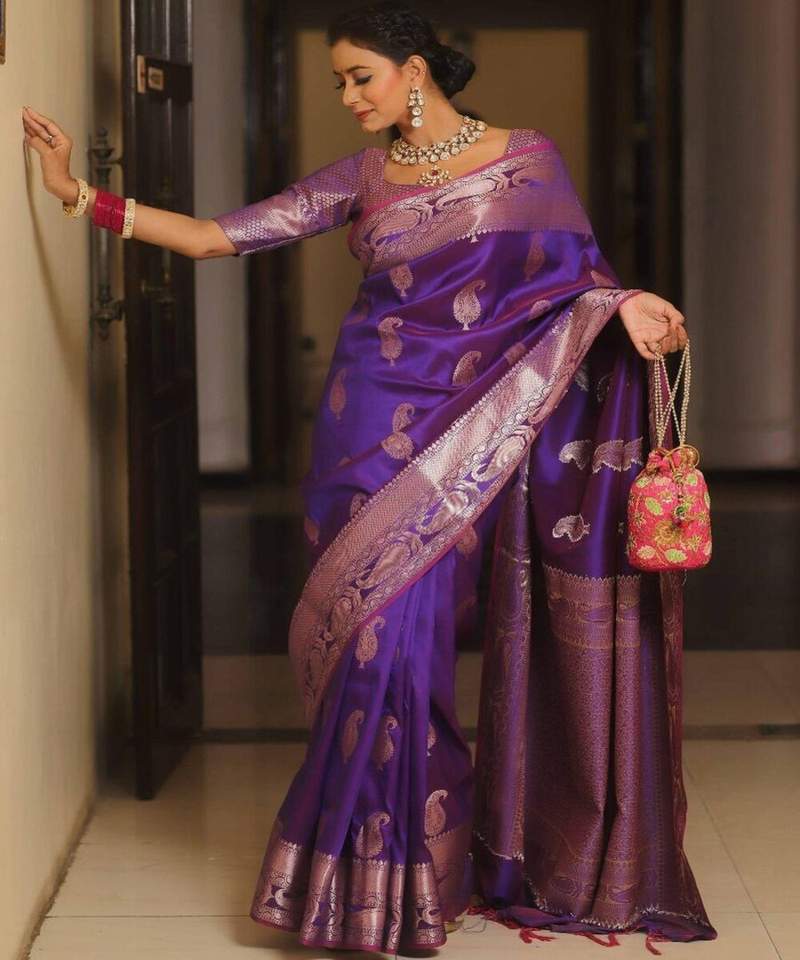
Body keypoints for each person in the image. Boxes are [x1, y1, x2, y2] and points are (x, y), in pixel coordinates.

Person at [22, 2, 716, 954]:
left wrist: (626, 303)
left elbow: (572, 283)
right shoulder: (362, 177)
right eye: (339, 81)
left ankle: (410, 875)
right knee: (363, 652)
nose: (348, 96)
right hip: (362, 433)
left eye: (361, 77)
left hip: (462, 442)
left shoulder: (528, 160)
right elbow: (220, 236)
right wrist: (77, 193)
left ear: (414, 70)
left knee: (405, 649)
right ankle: (362, 889)